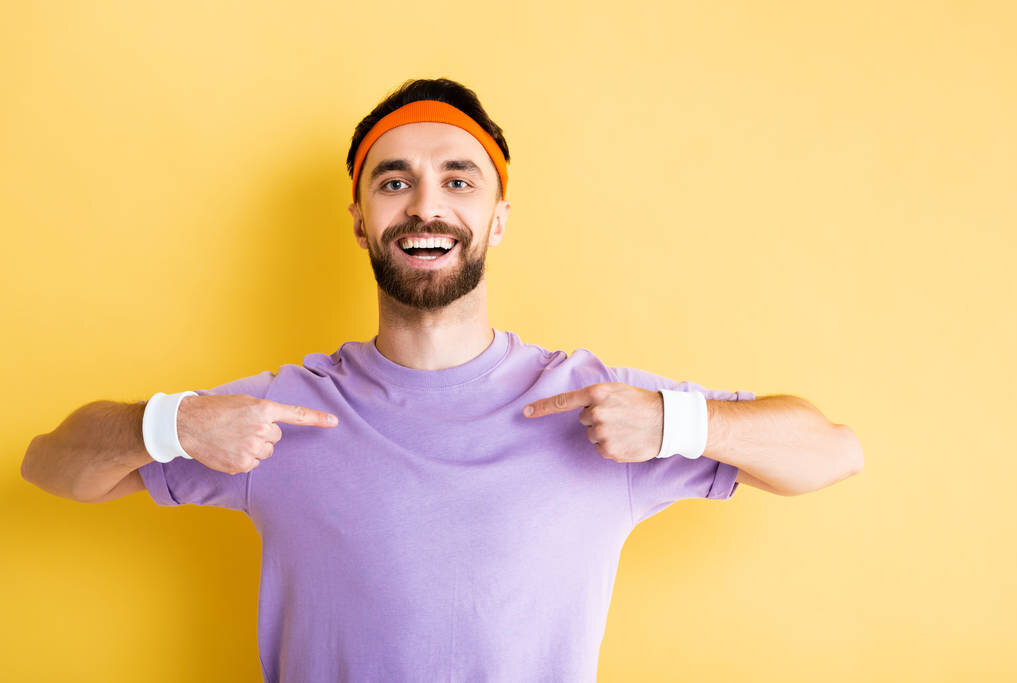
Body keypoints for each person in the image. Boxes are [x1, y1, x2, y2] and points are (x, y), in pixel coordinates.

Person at [21, 77, 863, 682]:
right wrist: (168, 424)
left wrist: (680, 425)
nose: (426, 204)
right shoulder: (280, 411)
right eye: (394, 182)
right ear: (360, 220)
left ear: (496, 217)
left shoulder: (600, 404)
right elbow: (48, 463)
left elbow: (832, 453)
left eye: (457, 179)